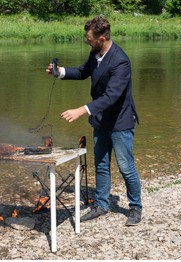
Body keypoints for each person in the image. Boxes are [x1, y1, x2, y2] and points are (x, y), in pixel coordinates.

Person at [46, 16, 142, 226]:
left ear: (102, 38)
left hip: (120, 122)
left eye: (89, 38)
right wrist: (59, 72)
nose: (86, 40)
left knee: (126, 167)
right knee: (101, 165)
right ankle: (101, 205)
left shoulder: (121, 61)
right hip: (101, 121)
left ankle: (135, 207)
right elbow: (82, 72)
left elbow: (111, 96)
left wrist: (82, 110)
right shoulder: (95, 53)